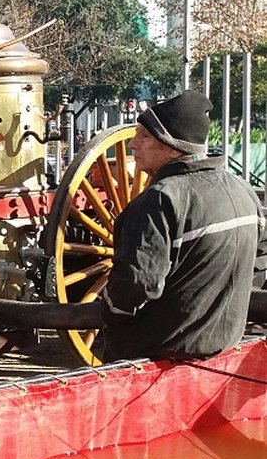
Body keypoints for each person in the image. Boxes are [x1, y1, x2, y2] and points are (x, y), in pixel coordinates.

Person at [101, 91, 267, 362]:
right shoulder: (243, 190)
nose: (133, 144)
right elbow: (259, 258)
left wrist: (108, 314)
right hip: (224, 346)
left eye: (144, 136)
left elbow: (136, 285)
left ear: (171, 145)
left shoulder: (161, 199)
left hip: (159, 353)